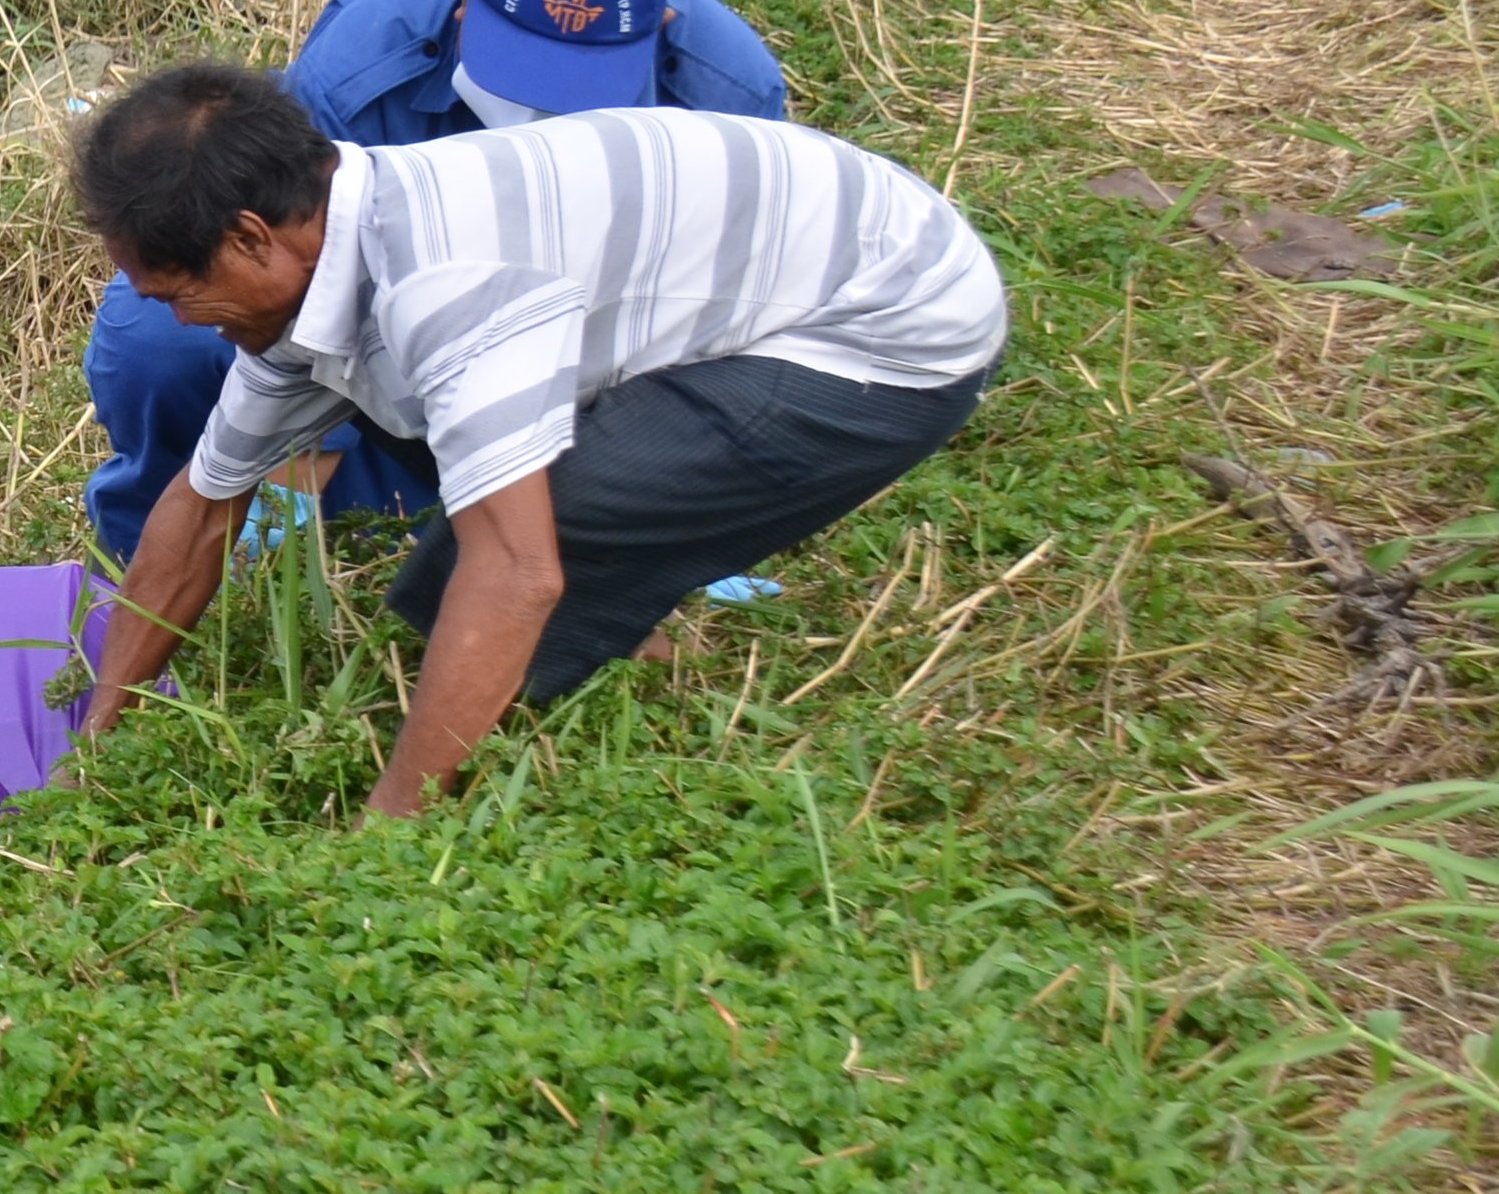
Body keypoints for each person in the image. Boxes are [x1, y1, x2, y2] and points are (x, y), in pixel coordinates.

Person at [79, 64, 1006, 817]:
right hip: (757, 292)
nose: (187, 323)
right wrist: (99, 734)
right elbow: (204, 504)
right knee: (449, 483)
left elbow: (521, 573)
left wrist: (386, 828)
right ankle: (601, 653)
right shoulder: (322, 255)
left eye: (176, 296)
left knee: (515, 551)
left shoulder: (443, 281)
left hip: (889, 328)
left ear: (249, 238)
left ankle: (570, 700)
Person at [82, 0, 787, 564]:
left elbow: (715, 314)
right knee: (156, 337)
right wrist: (309, 447)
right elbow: (306, 280)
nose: (545, 115)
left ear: (660, 26)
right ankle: (161, 540)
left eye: (583, 81)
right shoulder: (358, 70)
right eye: (528, 70)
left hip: (587, 329)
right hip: (386, 314)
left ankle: (459, 517)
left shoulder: (727, 99)